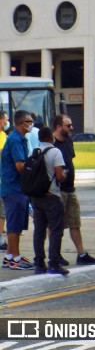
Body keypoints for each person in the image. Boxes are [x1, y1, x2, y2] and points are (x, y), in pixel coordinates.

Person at [53, 114, 95, 265]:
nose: (71, 128)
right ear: (58, 127)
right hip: (57, 190)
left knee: (75, 223)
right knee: (56, 225)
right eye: (68, 125)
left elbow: (70, 160)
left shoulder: (68, 141)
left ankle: (81, 254)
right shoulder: (52, 144)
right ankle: (55, 254)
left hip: (70, 189)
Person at [31, 126, 68, 275]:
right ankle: (53, 263)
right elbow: (59, 176)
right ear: (51, 137)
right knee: (56, 230)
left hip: (36, 198)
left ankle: (39, 263)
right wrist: (65, 175)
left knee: (39, 231)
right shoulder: (55, 152)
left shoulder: (33, 152)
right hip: (52, 197)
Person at [0, 110, 34, 270]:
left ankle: (8, 257)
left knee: (17, 224)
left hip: (15, 188)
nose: (31, 123)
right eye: (29, 121)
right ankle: (16, 258)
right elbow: (20, 166)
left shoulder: (19, 138)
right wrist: (34, 169)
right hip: (14, 188)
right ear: (22, 123)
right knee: (14, 225)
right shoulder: (15, 140)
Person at [0, 111, 9, 251]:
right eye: (6, 120)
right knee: (2, 211)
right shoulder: (2, 136)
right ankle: (1, 239)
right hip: (2, 180)